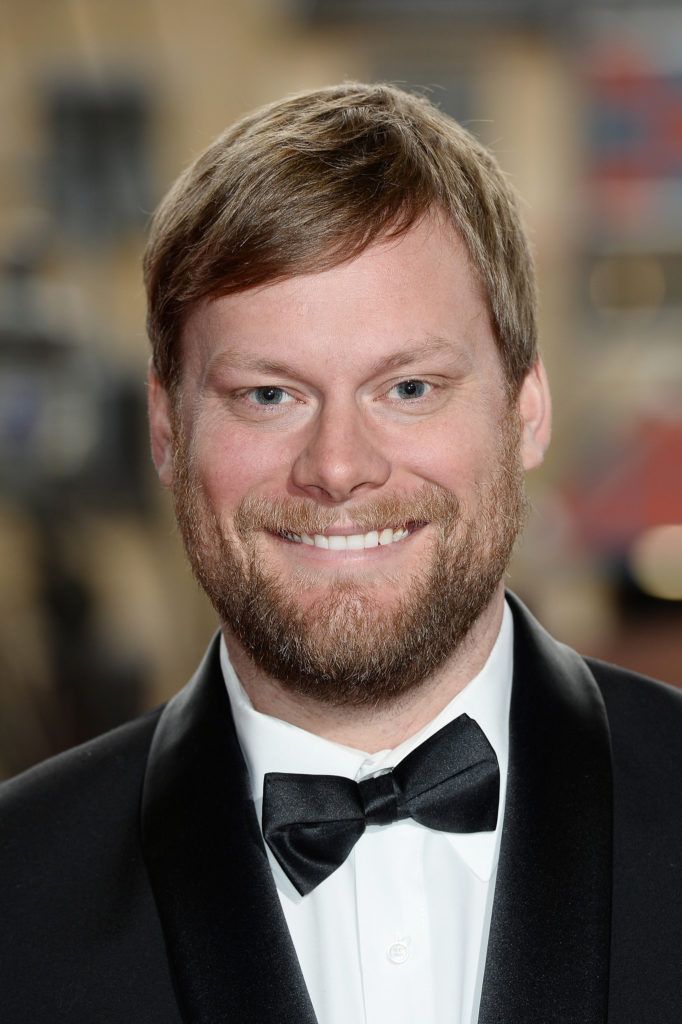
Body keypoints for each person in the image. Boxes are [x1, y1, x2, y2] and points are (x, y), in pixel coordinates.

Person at [1, 82, 680, 1024]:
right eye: (268, 395)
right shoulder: (17, 893)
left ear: (526, 410)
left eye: (408, 387)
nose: (338, 468)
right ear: (165, 430)